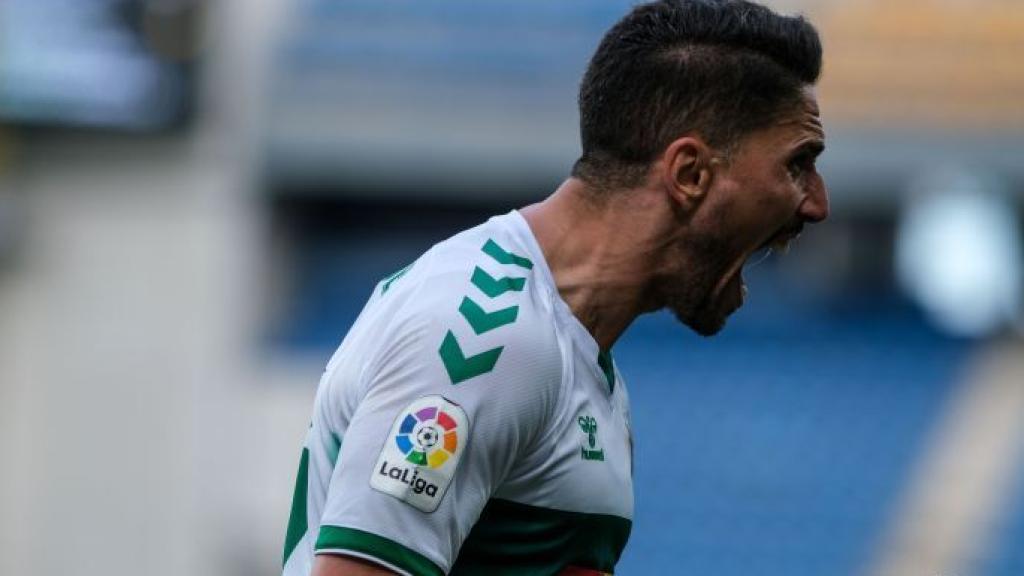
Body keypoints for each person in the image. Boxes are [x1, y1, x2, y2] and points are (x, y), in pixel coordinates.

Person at [282, 0, 828, 574]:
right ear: (690, 174)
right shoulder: (484, 337)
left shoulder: (576, 356)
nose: (818, 203)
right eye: (797, 165)